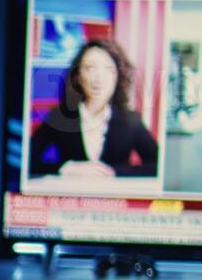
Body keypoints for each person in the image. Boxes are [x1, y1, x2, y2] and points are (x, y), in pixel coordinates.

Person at [28, 38, 160, 178]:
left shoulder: (131, 121)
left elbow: (158, 165)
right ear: (78, 76)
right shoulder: (59, 117)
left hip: (115, 198)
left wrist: (115, 172)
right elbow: (27, 159)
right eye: (90, 68)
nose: (98, 77)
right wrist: (66, 167)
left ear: (117, 76)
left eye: (108, 69)